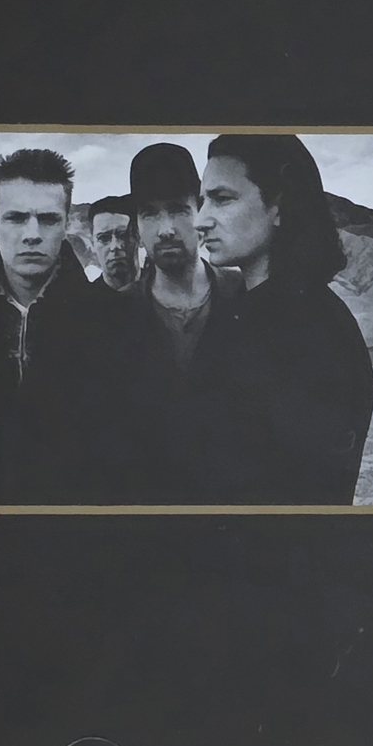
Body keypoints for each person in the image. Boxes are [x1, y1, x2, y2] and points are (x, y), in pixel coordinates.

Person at [190, 133, 373, 505]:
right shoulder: (251, 312)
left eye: (222, 199)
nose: (201, 220)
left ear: (278, 207)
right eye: (202, 201)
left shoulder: (310, 332)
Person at [95, 142, 244, 501]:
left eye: (178, 210)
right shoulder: (110, 319)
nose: (165, 229)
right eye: (150, 214)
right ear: (137, 228)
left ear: (201, 213)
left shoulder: (243, 297)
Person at [0, 147, 96, 504]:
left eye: (48, 219)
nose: (32, 234)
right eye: (16, 218)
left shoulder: (107, 320)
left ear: (66, 225)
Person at [87, 194, 138, 292]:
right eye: (103, 238)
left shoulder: (158, 293)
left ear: (138, 237)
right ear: (92, 243)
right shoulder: (84, 300)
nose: (115, 246)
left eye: (123, 236)